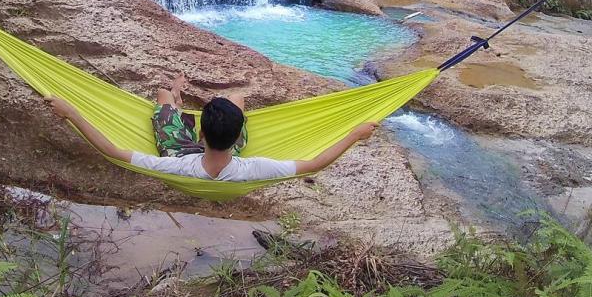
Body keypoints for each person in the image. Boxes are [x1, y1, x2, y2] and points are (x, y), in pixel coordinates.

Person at [48, 73, 378, 183]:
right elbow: (315, 164)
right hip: (222, 148)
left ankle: (174, 99)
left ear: (200, 133)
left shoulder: (176, 165)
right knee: (236, 97)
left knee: (161, 95)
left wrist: (72, 113)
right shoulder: (254, 168)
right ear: (241, 137)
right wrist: (354, 134)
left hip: (182, 150)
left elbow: (112, 151)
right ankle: (180, 101)